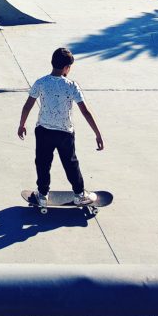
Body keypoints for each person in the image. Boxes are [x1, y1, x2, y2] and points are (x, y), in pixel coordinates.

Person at [17, 47, 103, 208]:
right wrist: (97, 133)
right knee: (71, 164)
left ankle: (42, 194)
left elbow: (27, 106)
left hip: (43, 131)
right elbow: (85, 111)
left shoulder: (40, 82)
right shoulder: (71, 86)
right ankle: (79, 195)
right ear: (66, 68)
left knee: (42, 163)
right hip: (65, 133)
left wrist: (22, 125)